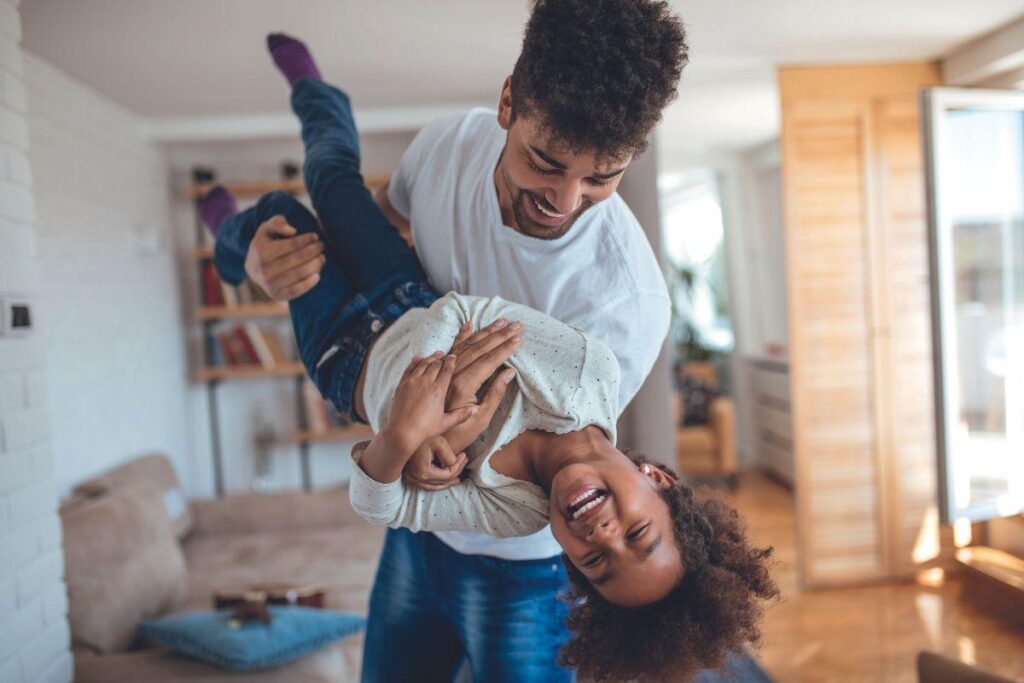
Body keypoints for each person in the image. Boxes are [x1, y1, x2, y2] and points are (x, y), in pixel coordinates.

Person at [201, 41, 776, 679]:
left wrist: (403, 438)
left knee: (285, 215)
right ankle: (289, 142)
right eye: (546, 162)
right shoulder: (582, 374)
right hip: (403, 300)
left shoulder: (529, 497)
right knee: (315, 192)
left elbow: (383, 499)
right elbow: (461, 308)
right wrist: (428, 392)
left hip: (351, 371)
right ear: (658, 480)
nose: (565, 199)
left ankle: (233, 226)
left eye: (600, 177)